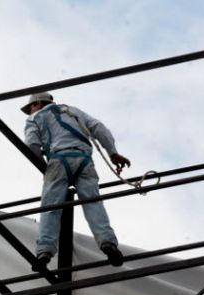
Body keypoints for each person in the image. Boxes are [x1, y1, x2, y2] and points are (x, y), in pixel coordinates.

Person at [21, 92, 130, 269]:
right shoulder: (73, 111)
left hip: (59, 160)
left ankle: (44, 252)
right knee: (93, 203)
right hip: (84, 161)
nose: (30, 111)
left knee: (51, 207)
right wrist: (113, 153)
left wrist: (44, 168)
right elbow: (98, 127)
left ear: (38, 103)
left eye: (31, 107)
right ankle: (108, 243)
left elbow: (32, 145)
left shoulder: (36, 117)